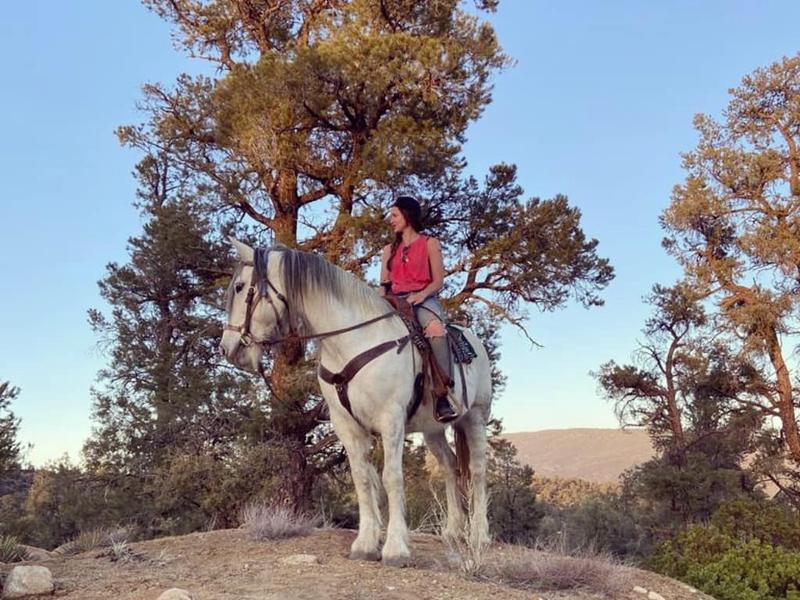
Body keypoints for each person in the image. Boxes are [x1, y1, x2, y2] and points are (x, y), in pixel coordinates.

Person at [379, 196, 458, 423]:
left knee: (435, 330)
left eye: (395, 215)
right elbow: (384, 285)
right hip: (394, 301)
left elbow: (438, 281)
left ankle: (442, 394)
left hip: (423, 299)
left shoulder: (430, 243)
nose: (391, 220)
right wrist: (379, 304)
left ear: (408, 216)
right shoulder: (388, 250)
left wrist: (421, 295)